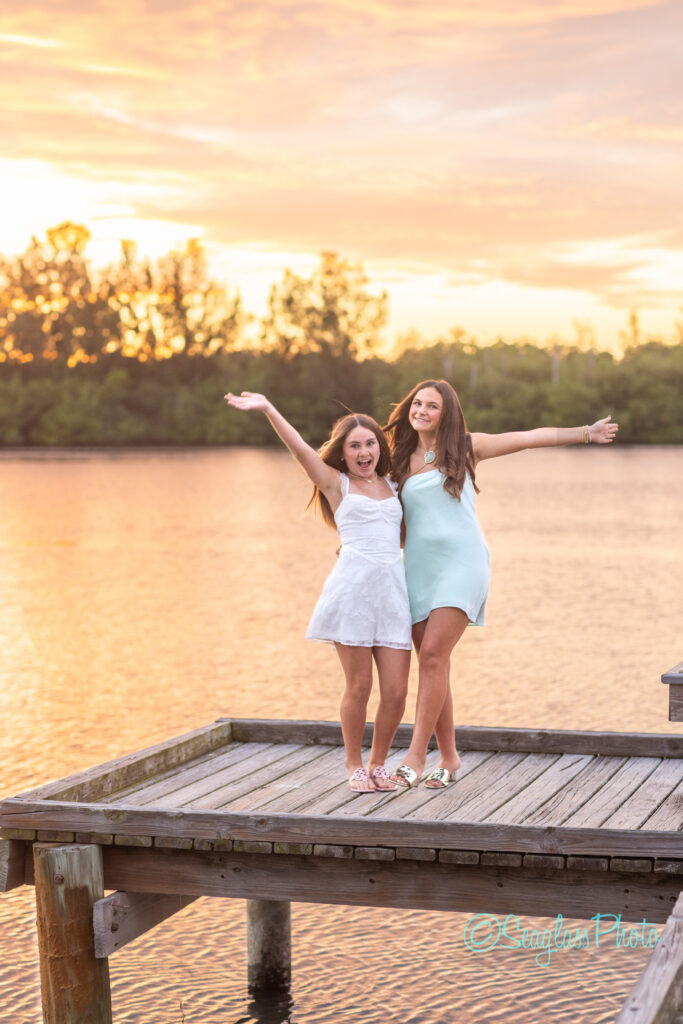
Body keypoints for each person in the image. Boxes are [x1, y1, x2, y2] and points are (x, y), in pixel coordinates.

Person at [384, 379, 619, 790]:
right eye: (417, 402)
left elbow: (528, 438)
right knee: (433, 662)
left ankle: (415, 755)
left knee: (435, 654)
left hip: (463, 563)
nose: (421, 410)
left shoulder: (464, 447)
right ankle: (451, 758)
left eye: (432, 405)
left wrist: (586, 433)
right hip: (418, 569)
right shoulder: (398, 459)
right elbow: (387, 520)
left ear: (447, 412)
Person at [224, 391, 412, 792]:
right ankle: (354, 766)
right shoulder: (336, 484)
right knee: (359, 686)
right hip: (353, 595)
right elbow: (299, 449)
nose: (364, 451)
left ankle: (380, 763)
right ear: (343, 454)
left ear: (380, 446)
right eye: (355, 446)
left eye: (370, 443)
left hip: (394, 595)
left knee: (396, 691)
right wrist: (269, 408)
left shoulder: (395, 485)